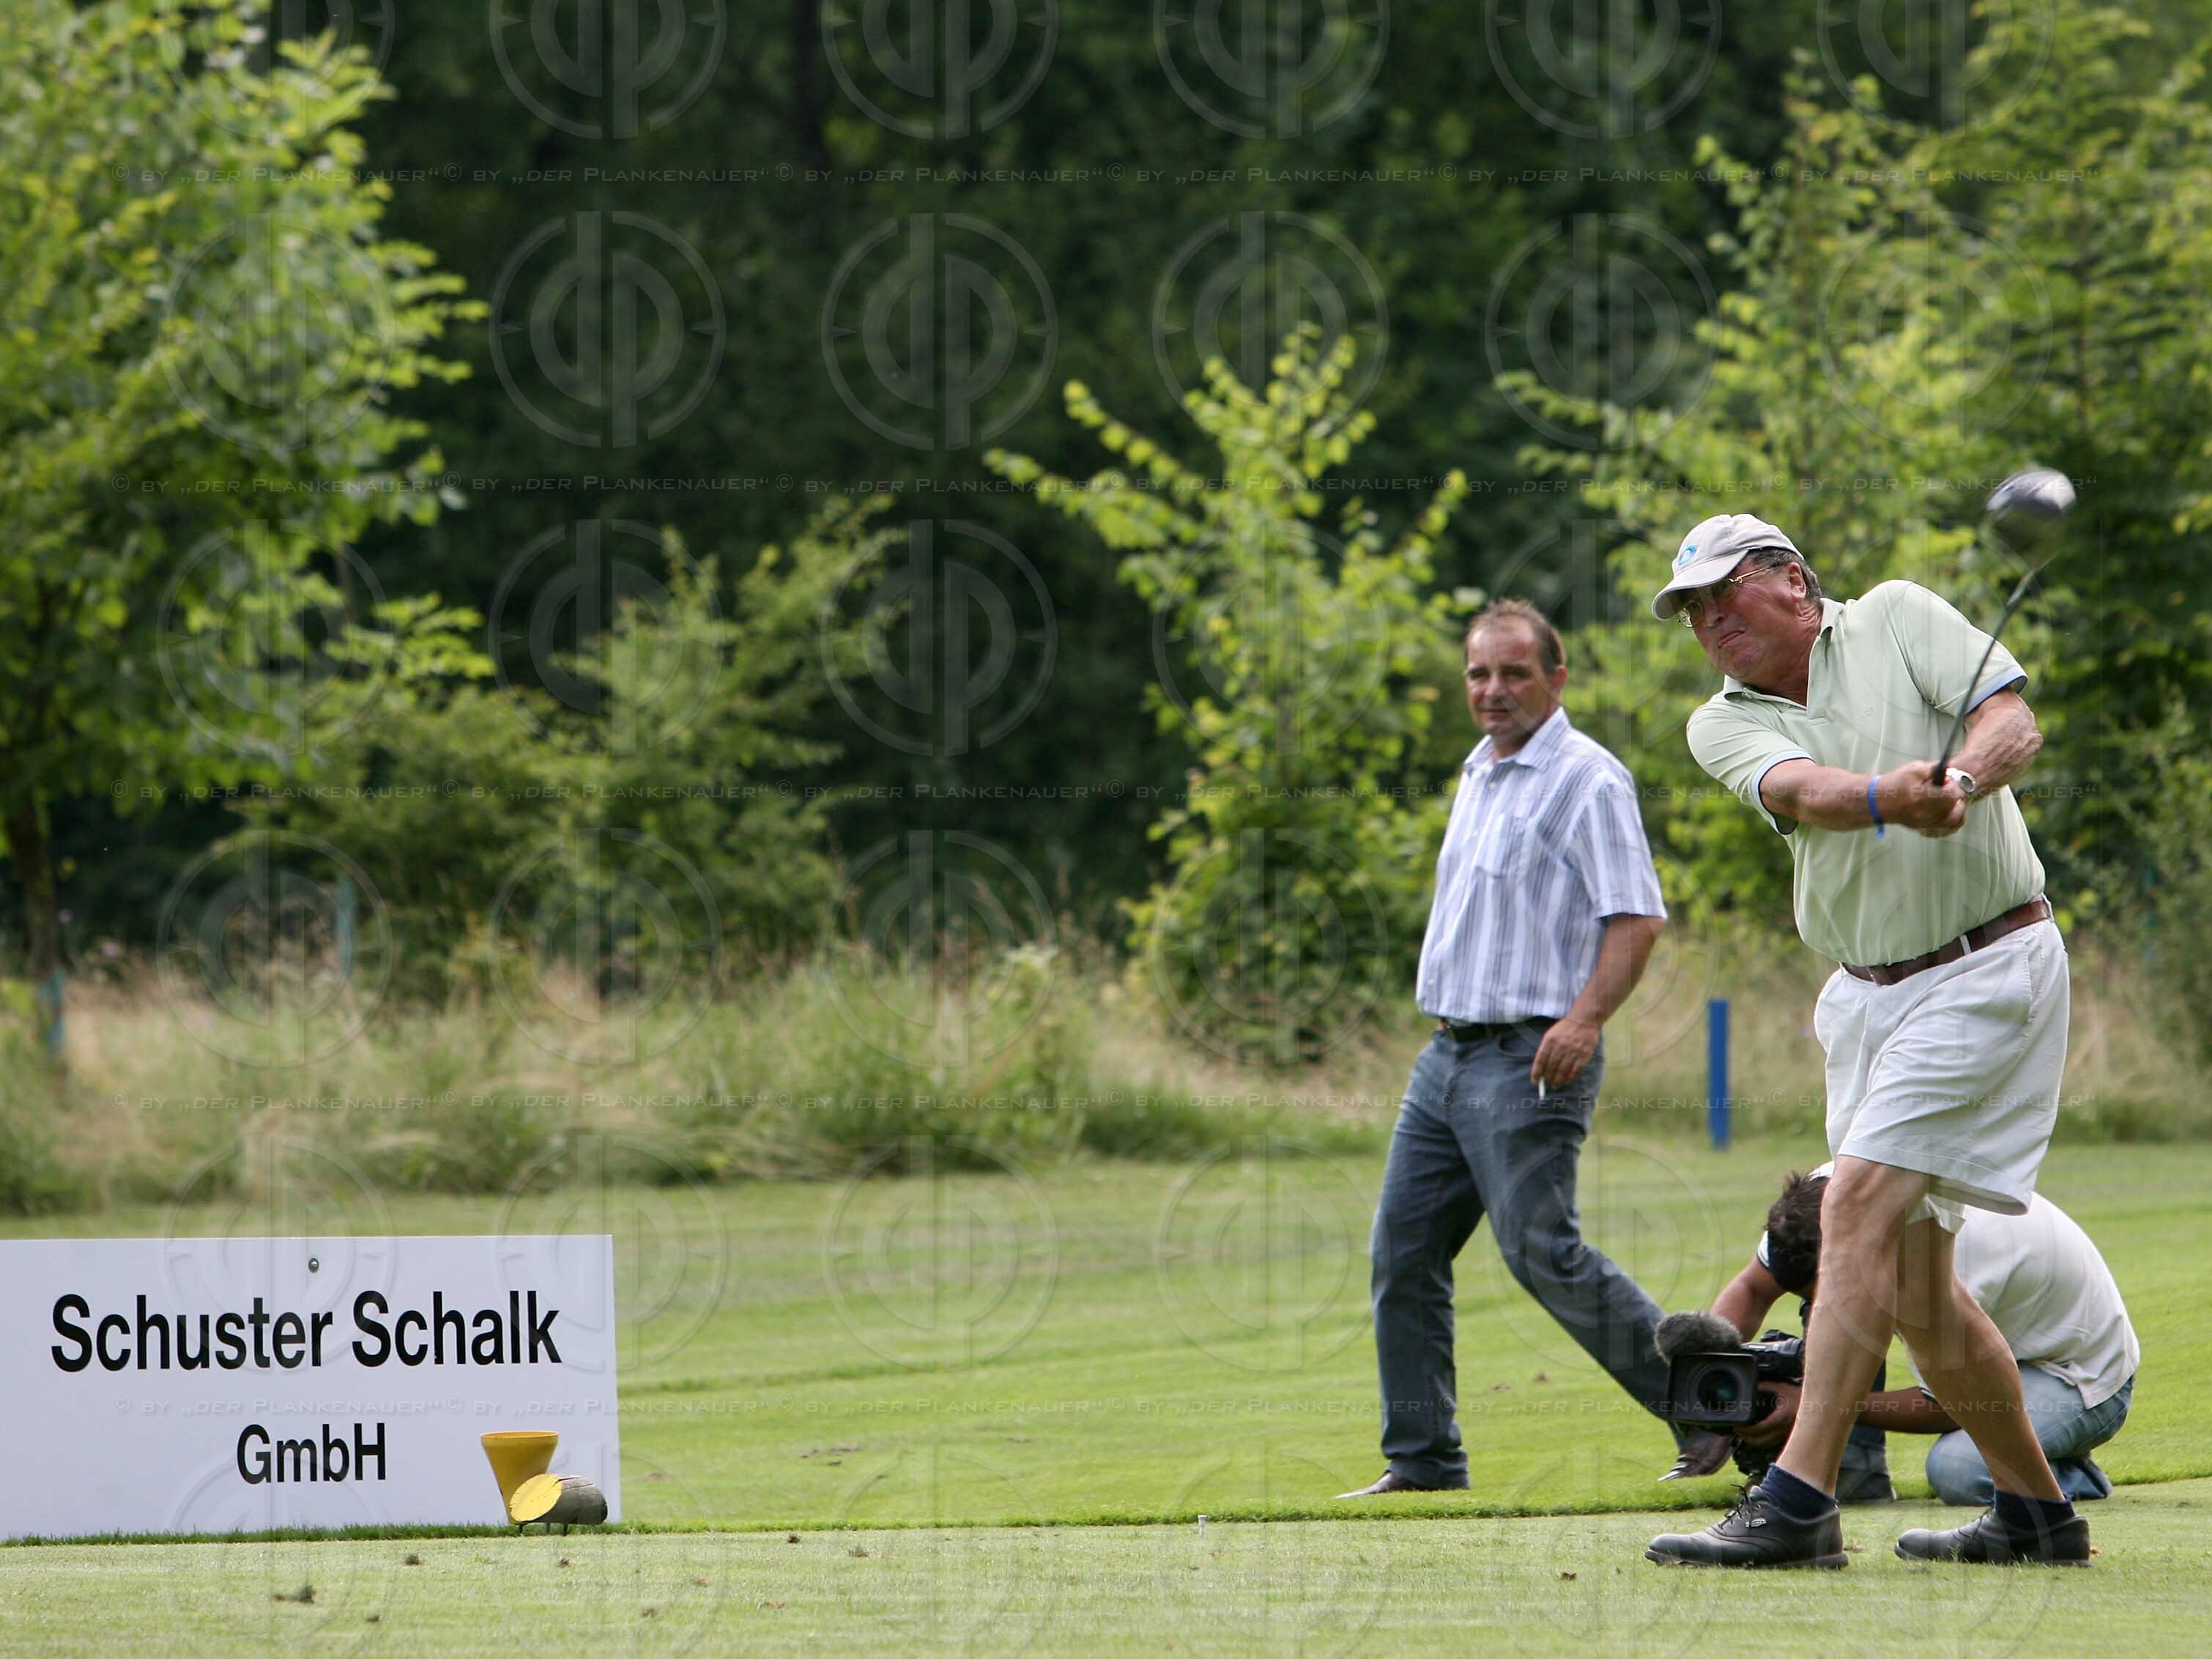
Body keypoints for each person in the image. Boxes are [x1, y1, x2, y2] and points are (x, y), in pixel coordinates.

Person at [1641, 513, 2089, 1568]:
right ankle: (2036, 1513)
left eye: (1724, 593)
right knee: (1918, 1291)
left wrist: (1962, 781)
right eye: (1692, 611)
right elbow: (1803, 790)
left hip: (1987, 966)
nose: (1708, 621)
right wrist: (1892, 798)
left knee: (1851, 1206)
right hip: (1863, 1001)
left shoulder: (1896, 614)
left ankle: (1798, 1501)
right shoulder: (1719, 723)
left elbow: (2011, 722)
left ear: (1793, 582)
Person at [1340, 600, 1675, 1498]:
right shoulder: (1478, 772)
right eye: (1478, 674)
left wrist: (1583, 1020)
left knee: (1541, 1253)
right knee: (1401, 1255)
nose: (1492, 690)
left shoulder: (1586, 779)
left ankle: (1716, 1413)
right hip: (1445, 1057)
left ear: (1555, 679)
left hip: (1531, 1056)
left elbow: (1636, 919)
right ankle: (1422, 1462)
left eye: (1513, 673)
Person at [1716, 1163, 2137, 1507]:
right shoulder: (1828, 1202)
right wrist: (1712, 1388)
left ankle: (2066, 1476)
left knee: (1959, 1470)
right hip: (2003, 1341)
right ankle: (1854, 1475)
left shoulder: (1947, 1259)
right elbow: (1752, 1289)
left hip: (2077, 1377)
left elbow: (1950, 1405)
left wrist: (1813, 1404)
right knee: (1847, 1313)